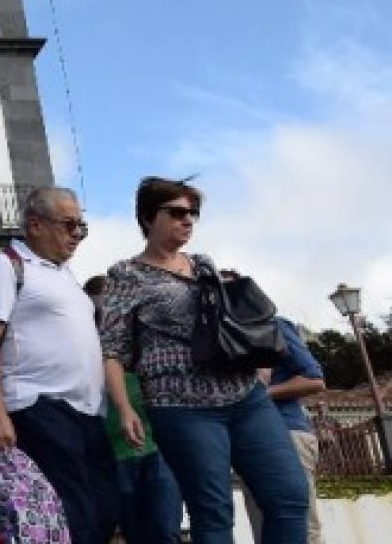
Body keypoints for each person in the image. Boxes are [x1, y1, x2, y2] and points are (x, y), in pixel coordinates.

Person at [101, 176, 308, 544]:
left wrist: (260, 370)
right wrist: (124, 407)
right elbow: (112, 349)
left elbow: (233, 324)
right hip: (181, 407)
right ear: (148, 217)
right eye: (176, 212)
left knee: (290, 496)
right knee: (212, 511)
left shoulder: (203, 265)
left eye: (192, 214)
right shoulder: (125, 274)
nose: (187, 220)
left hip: (245, 397)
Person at [0, 186, 116, 544]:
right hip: (38, 405)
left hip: (87, 412)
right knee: (72, 514)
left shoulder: (66, 276)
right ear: (35, 224)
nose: (77, 234)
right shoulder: (5, 267)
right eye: (69, 225)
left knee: (105, 510)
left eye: (81, 226)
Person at [86, 275, 183, 544]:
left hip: (158, 450)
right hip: (113, 454)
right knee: (135, 533)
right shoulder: (85, 355)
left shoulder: (145, 346)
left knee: (165, 531)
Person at [244, 316, 326, 543]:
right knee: (264, 530)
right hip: (248, 444)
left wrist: (258, 395)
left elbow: (313, 379)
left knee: (302, 529)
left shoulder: (272, 325)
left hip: (286, 433)